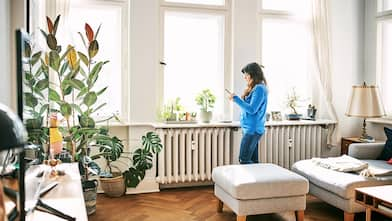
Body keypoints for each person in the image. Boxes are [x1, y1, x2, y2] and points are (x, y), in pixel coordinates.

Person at [228, 62, 268, 164]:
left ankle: (260, 177)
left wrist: (236, 99)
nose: (245, 77)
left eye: (246, 74)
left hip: (252, 130)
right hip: (250, 129)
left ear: (253, 74)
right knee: (252, 160)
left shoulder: (259, 89)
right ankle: (258, 179)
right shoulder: (256, 88)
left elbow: (252, 109)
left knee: (244, 160)